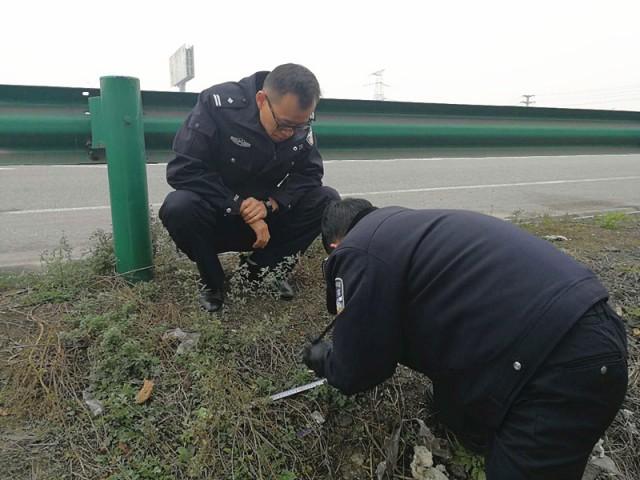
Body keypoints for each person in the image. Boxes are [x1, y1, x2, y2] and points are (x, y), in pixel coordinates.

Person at [303, 198, 628, 480]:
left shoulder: (359, 247)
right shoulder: (414, 231)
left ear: (334, 245)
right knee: (456, 410)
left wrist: (325, 360)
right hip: (594, 330)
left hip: (557, 361)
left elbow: (357, 371)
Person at [159, 64, 340, 312]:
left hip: (266, 220)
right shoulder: (218, 105)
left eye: (301, 125)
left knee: (326, 199)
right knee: (179, 206)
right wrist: (239, 205)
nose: (290, 133)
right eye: (283, 124)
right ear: (261, 100)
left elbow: (310, 174)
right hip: (216, 216)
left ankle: (262, 271)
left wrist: (270, 205)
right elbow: (184, 169)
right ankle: (214, 283)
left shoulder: (298, 127)